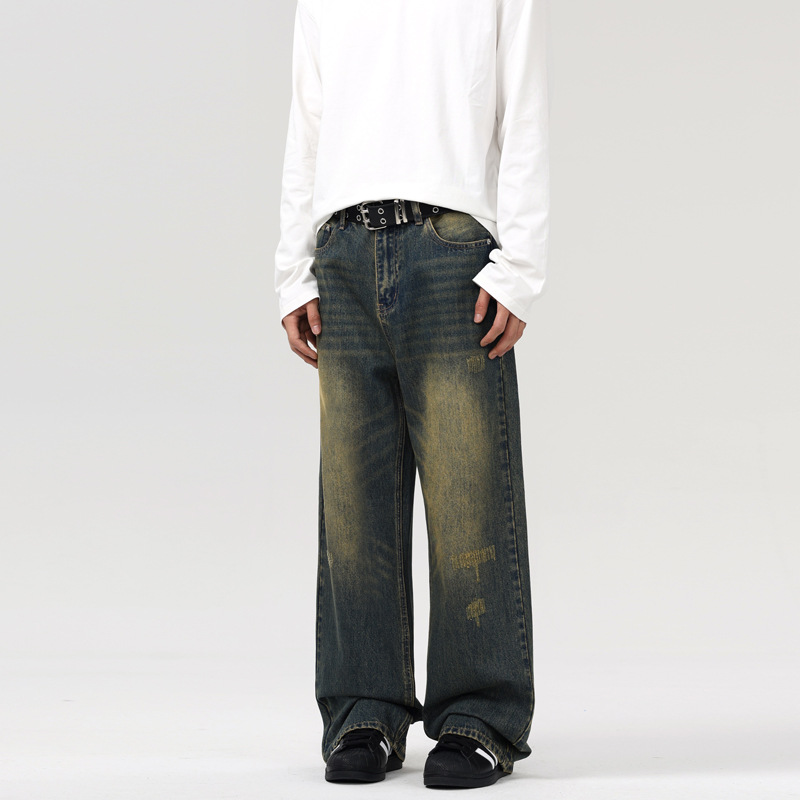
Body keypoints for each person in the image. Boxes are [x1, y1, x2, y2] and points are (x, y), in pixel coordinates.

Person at [274, 0, 549, 789]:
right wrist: (293, 268)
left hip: (450, 247)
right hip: (341, 248)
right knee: (353, 503)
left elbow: (524, 110)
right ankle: (364, 709)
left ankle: (479, 715)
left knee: (470, 495)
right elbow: (308, 117)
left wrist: (519, 266)